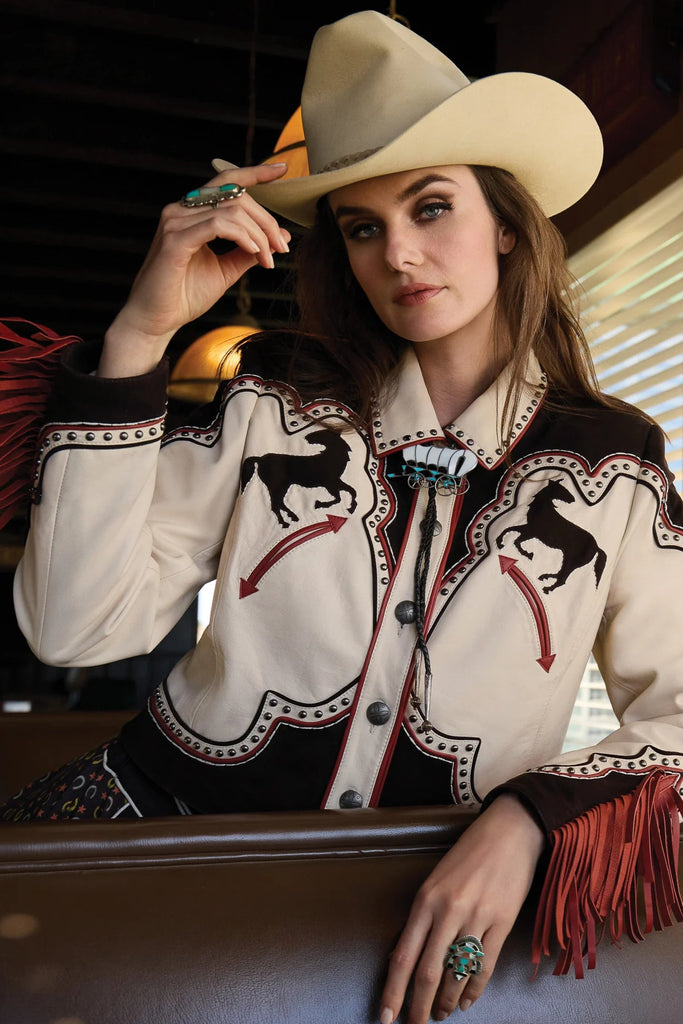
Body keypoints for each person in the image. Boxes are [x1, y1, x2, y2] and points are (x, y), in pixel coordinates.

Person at [3, 10, 683, 1023]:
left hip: (427, 906)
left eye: (429, 207)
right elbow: (70, 628)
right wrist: (142, 332)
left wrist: (531, 817)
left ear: (504, 220)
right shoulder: (270, 399)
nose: (397, 254)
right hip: (157, 854)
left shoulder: (612, 461)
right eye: (362, 227)